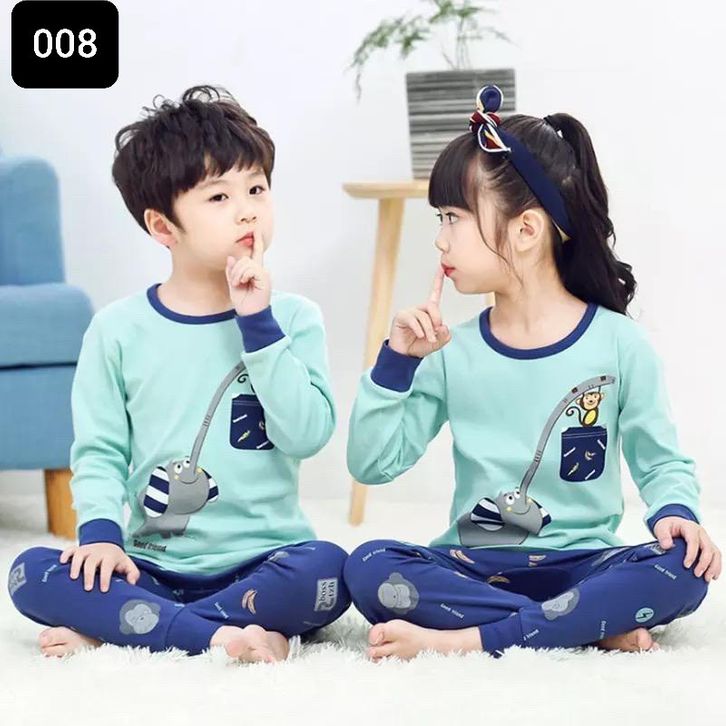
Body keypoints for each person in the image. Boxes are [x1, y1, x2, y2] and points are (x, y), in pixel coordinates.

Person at [343, 85, 720, 660]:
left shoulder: (620, 344)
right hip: (472, 565)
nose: (440, 239)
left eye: (453, 218)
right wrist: (395, 363)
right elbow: (372, 464)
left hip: (585, 564)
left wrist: (677, 513)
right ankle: (579, 625)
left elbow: (661, 461)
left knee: (684, 570)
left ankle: (469, 639)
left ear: (525, 230)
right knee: (368, 566)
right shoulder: (447, 352)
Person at [8, 85, 349, 662]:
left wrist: (258, 325)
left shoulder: (293, 318)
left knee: (332, 571)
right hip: (153, 566)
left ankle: (138, 627)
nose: (247, 210)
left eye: (257, 189)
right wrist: (101, 539)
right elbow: (100, 452)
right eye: (219, 197)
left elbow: (306, 435)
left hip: (266, 562)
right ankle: (216, 633)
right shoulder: (117, 330)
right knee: (30, 573)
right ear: (163, 226)